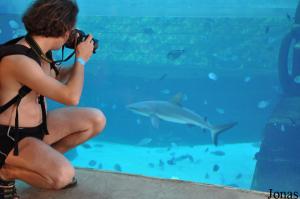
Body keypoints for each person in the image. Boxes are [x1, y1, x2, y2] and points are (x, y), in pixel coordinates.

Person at [0, 0, 106, 198]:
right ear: (64, 29)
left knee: (95, 119)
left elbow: (50, 80)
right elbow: (71, 97)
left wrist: (76, 65)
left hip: (37, 129)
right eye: (72, 28)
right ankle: (5, 172)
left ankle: (40, 164)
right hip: (10, 138)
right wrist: (80, 61)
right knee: (62, 176)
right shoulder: (19, 60)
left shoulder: (39, 49)